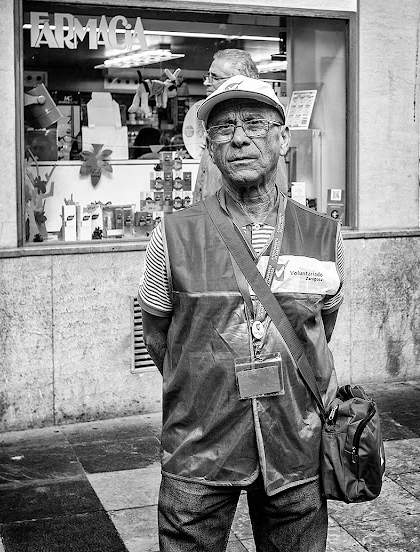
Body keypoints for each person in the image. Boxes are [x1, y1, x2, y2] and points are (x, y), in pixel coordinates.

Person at [138, 75, 345, 552]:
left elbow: (320, 329)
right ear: (209, 149)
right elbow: (157, 338)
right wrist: (204, 379)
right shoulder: (173, 235)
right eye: (224, 127)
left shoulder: (322, 235)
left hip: (295, 438)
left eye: (254, 122)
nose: (239, 137)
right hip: (199, 443)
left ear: (281, 138)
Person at [193, 48, 288, 202]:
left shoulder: (269, 136)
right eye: (224, 126)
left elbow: (277, 200)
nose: (206, 82)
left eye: (214, 77)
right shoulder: (214, 133)